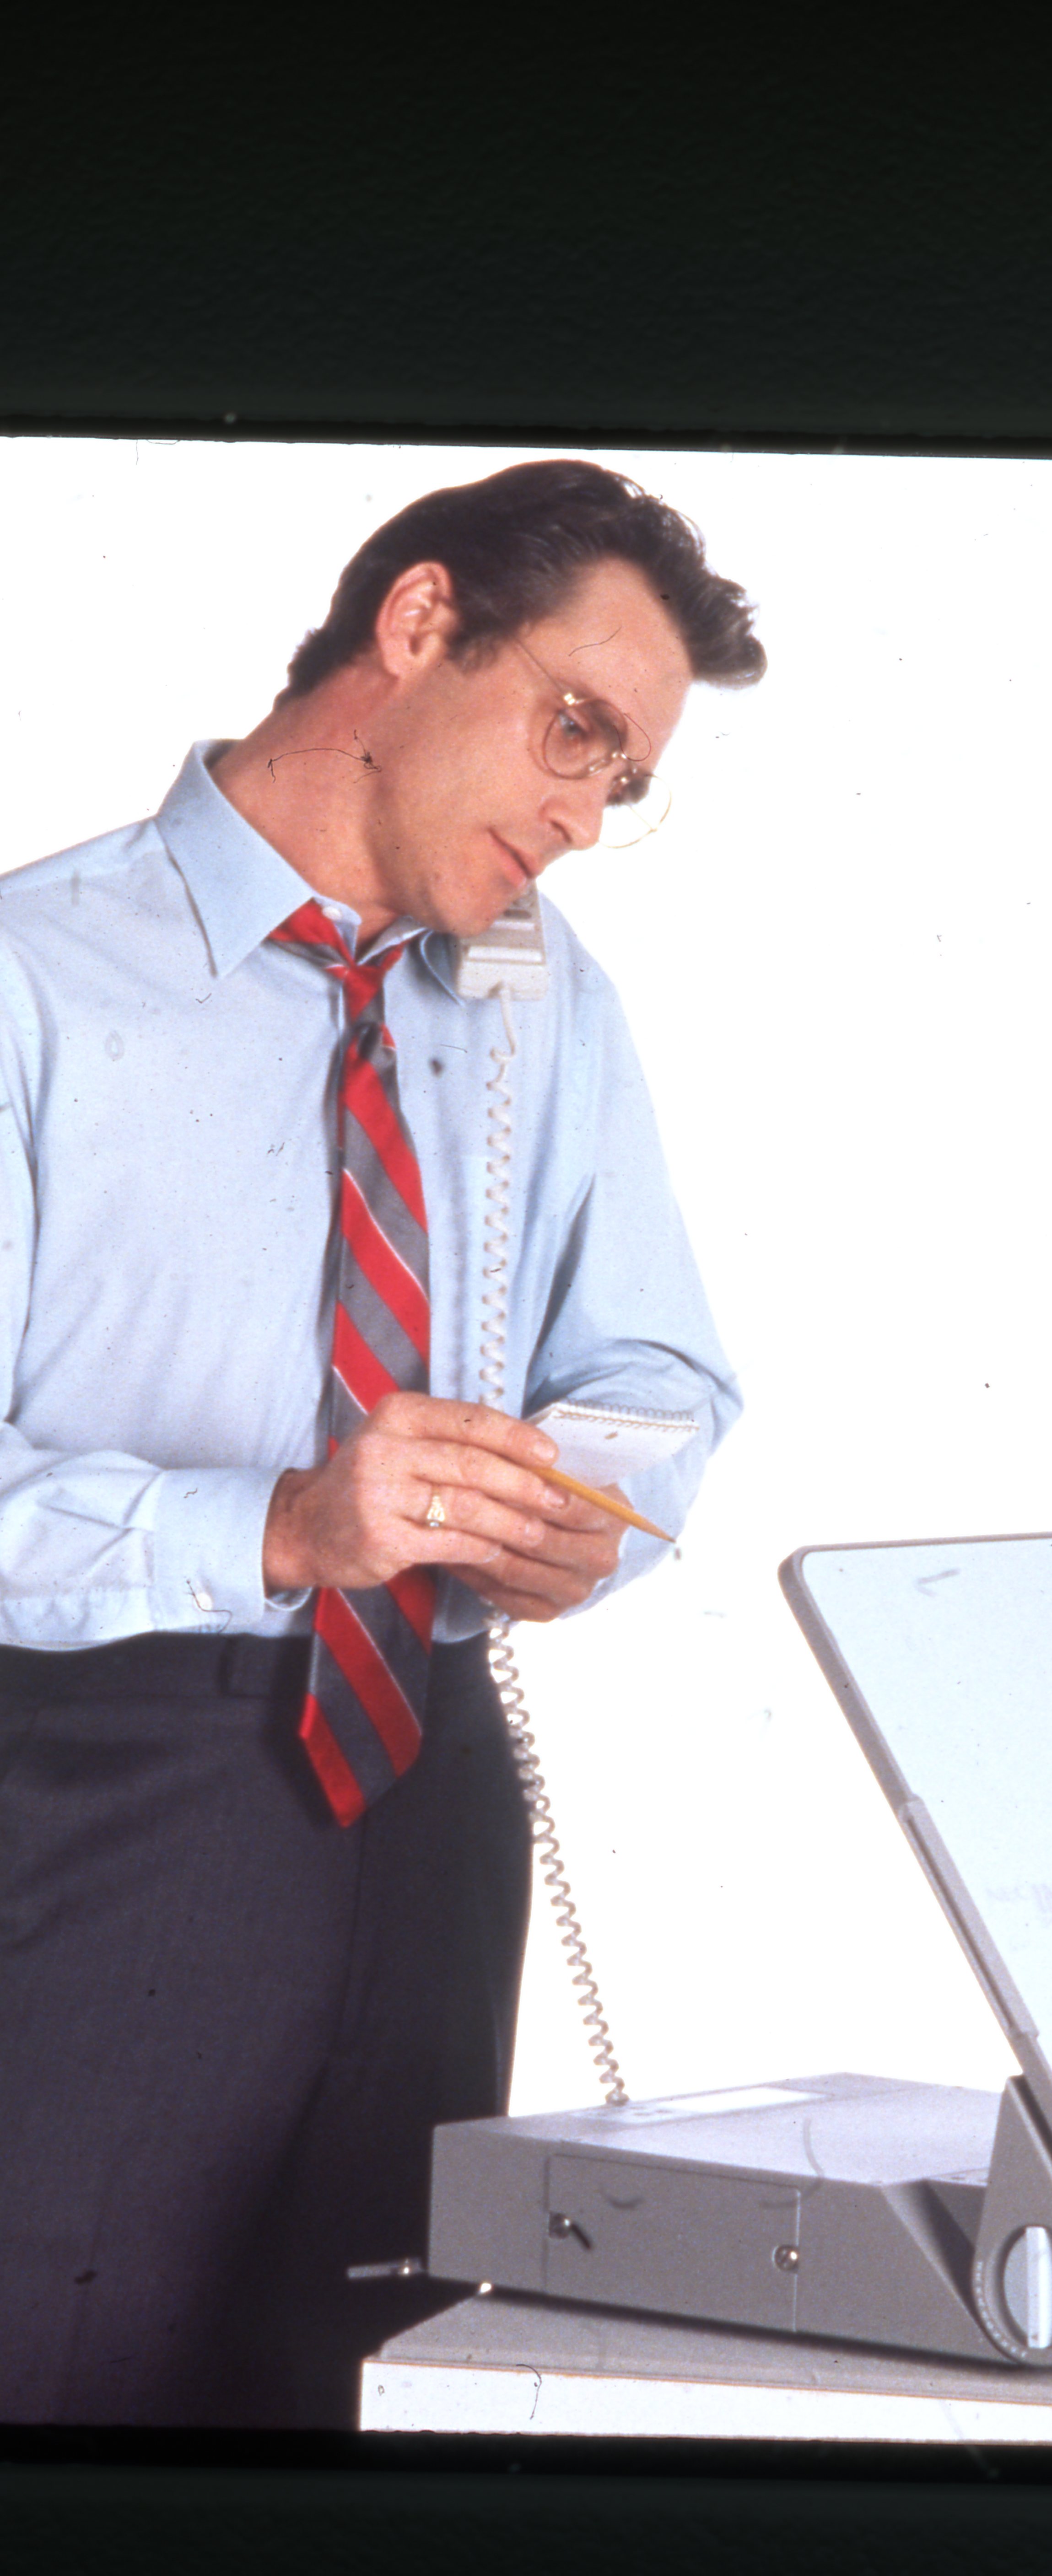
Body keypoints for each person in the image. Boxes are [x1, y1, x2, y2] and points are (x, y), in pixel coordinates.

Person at [0, 457, 763, 2427]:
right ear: (417, 627)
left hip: (426, 1792)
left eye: (625, 780)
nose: (584, 815)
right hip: (94, 1786)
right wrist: (274, 1525)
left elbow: (656, 1365)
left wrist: (593, 1504)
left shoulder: (540, 996)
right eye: (576, 729)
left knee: (341, 2426)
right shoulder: (31, 980)